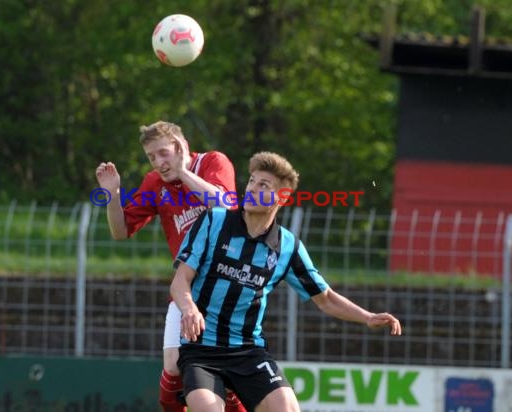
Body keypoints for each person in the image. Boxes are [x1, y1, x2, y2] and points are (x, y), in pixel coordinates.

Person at [170, 151, 403, 412]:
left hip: (247, 352)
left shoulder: (287, 247)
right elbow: (180, 281)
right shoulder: (214, 220)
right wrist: (189, 307)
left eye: (263, 185)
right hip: (201, 351)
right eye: (251, 181)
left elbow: (324, 298)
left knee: (287, 408)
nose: (252, 189)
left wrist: (368, 317)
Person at [95, 121, 246, 412]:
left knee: (227, 374)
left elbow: (224, 205)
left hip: (227, 285)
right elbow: (121, 230)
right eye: (152, 157)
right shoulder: (154, 183)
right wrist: (113, 195)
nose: (158, 162)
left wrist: (182, 173)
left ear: (180, 147)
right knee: (174, 365)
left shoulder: (214, 162)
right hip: (185, 286)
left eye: (163, 153)